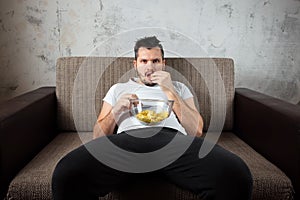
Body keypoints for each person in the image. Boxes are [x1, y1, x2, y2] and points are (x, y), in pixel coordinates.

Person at [52, 36, 253, 200]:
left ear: (163, 64)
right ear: (135, 64)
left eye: (155, 61)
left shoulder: (179, 88)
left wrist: (170, 91)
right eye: (144, 61)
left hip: (174, 141)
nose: (150, 67)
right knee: (66, 174)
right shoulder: (118, 89)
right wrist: (117, 111)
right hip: (127, 141)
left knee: (236, 174)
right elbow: (97, 136)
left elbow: (197, 131)